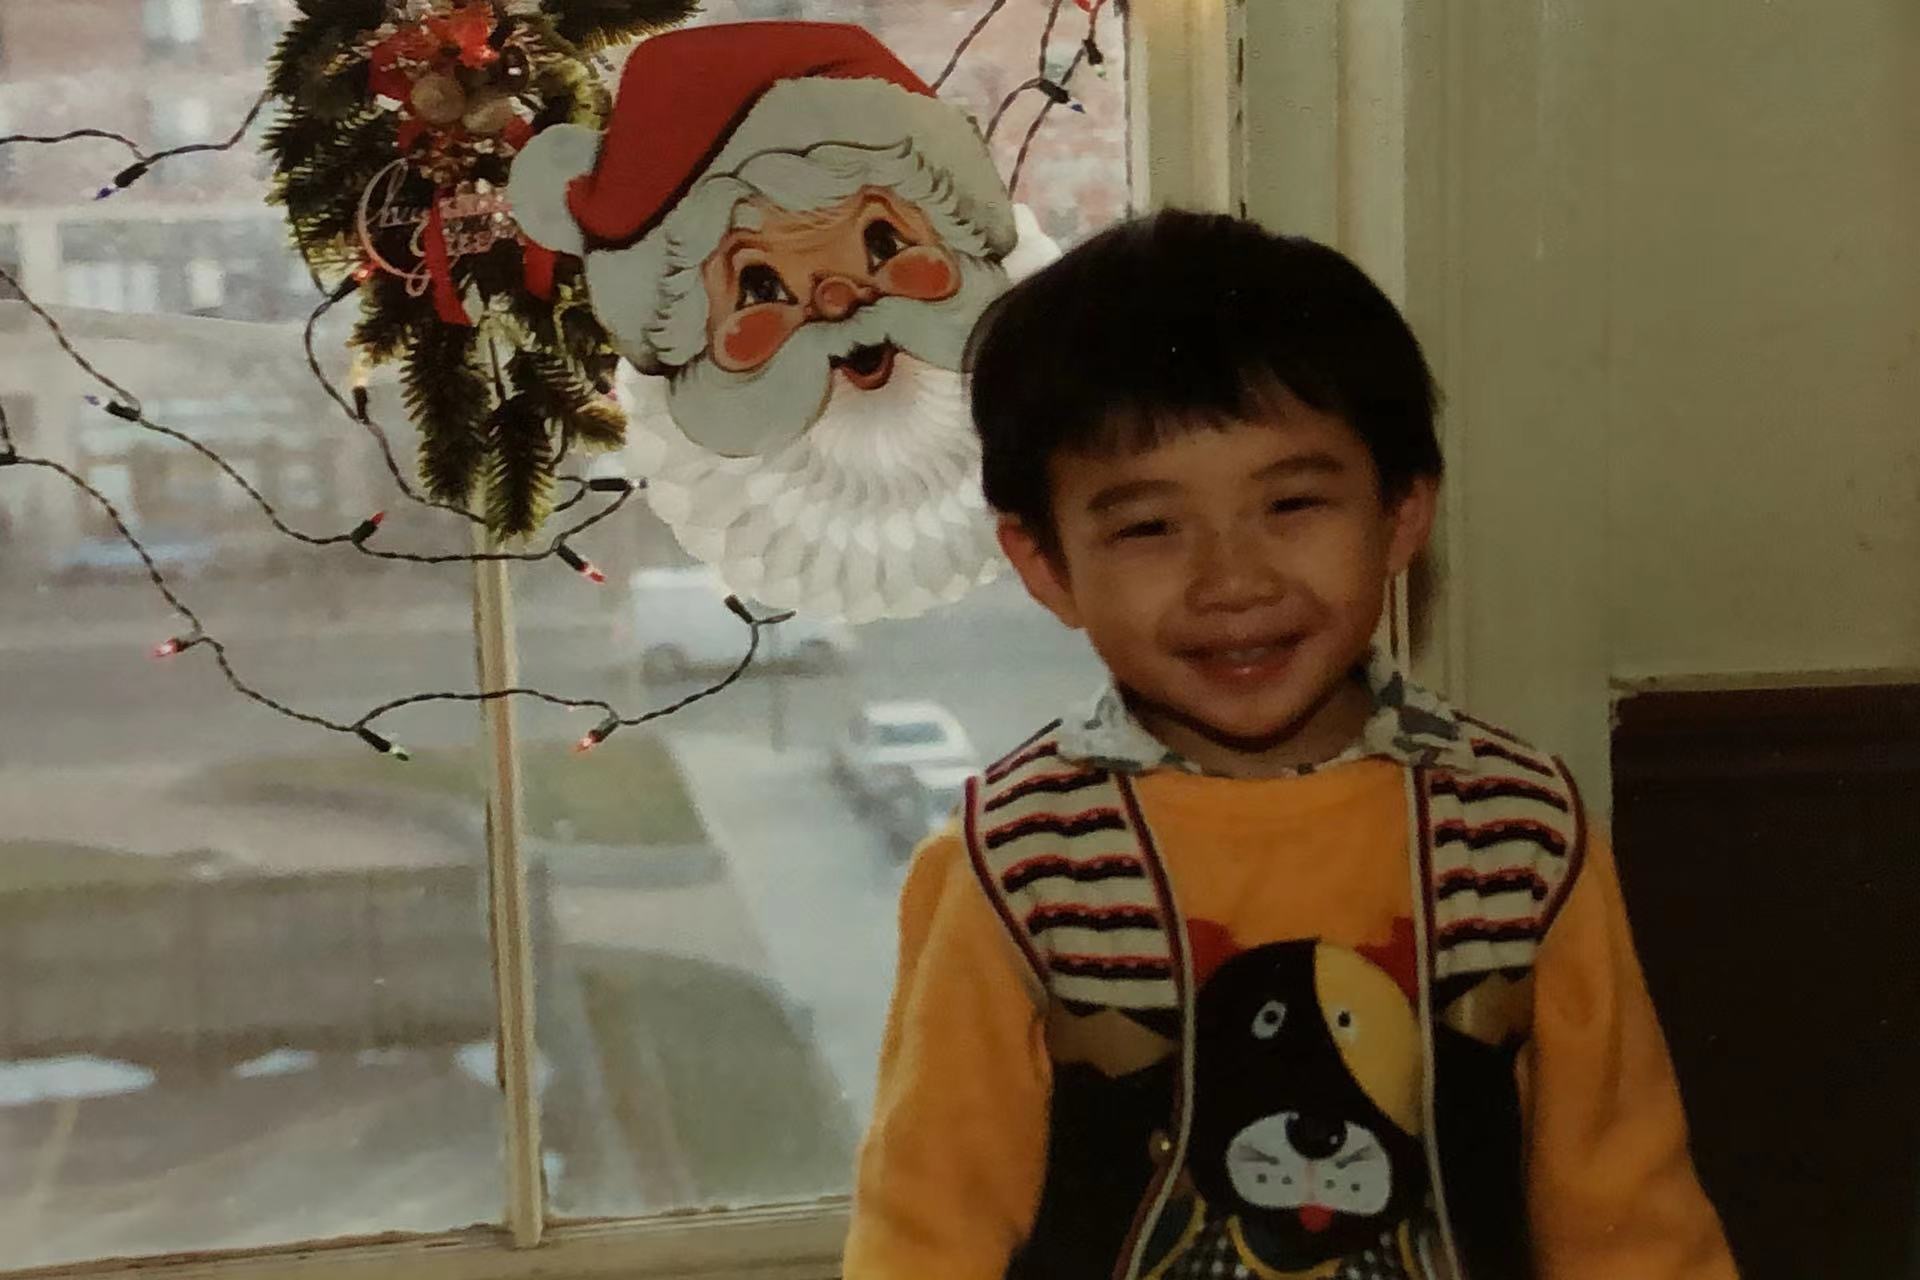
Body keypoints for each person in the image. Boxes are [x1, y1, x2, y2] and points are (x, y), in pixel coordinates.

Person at [843, 211, 1737, 1280]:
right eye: (1147, 526)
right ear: (1044, 563)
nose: (1235, 580)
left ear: (1402, 515)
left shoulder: (1521, 831)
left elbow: (1628, 1216)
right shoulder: (1015, 859)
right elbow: (925, 1228)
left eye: (1294, 502)